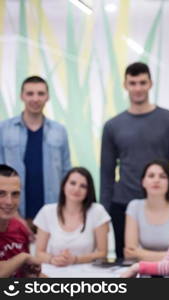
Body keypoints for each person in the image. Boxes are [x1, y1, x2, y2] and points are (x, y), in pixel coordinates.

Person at [100, 62, 169, 258]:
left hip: (163, 203)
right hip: (123, 203)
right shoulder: (112, 126)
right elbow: (106, 173)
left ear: (151, 84)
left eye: (142, 82)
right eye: (133, 83)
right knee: (126, 260)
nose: (138, 88)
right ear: (125, 85)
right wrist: (103, 214)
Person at [0, 76, 71, 229]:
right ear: (22, 96)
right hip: (11, 214)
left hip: (51, 215)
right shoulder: (4, 129)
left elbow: (66, 174)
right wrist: (15, 216)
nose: (35, 99)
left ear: (47, 97)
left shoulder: (59, 131)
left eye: (40, 93)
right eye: (30, 93)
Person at [34, 167, 110, 266]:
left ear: (89, 191)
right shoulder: (47, 211)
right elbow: (39, 253)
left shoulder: (97, 211)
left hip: (87, 273)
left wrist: (76, 259)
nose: (76, 189)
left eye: (83, 186)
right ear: (63, 185)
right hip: (54, 271)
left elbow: (102, 253)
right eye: (72, 183)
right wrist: (53, 259)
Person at [124, 160, 169, 261]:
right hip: (144, 270)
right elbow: (130, 253)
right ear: (143, 182)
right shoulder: (134, 206)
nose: (156, 180)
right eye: (151, 176)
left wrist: (141, 254)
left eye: (162, 176)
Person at [0, 164, 41, 278]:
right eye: (1, 193)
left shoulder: (20, 228)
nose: (9, 201)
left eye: (15, 194)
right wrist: (23, 257)